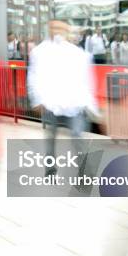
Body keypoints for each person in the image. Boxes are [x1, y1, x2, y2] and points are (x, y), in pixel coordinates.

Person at [28, 20, 97, 176]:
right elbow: (33, 76)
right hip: (50, 104)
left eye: (62, 29)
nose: (58, 31)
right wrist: (37, 100)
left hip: (74, 105)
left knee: (78, 137)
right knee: (50, 138)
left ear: (67, 31)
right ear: (50, 30)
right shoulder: (39, 52)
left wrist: (92, 106)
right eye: (55, 28)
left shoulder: (77, 53)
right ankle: (50, 170)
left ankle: (85, 172)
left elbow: (86, 79)